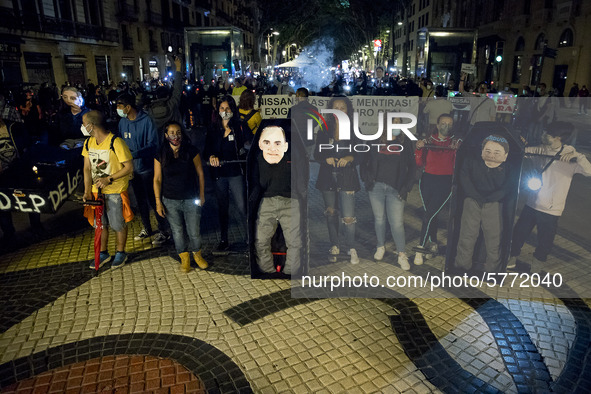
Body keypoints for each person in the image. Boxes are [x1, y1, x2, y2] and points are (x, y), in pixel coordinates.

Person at [508, 122, 591, 268]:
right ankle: (512, 256)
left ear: (558, 138)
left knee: (545, 239)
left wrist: (578, 157)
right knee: (519, 232)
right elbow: (522, 152)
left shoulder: (571, 157)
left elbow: (589, 171)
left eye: (547, 134)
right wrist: (518, 143)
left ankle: (537, 262)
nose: (543, 136)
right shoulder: (541, 149)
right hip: (532, 202)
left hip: (552, 208)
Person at [360, 118, 416, 270]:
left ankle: (401, 253)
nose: (395, 125)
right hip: (376, 187)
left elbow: (412, 167)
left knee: (396, 223)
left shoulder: (405, 143)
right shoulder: (374, 141)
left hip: (396, 189)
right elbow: (364, 162)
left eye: (398, 122)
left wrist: (406, 187)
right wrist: (366, 179)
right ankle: (380, 246)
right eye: (392, 121)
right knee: (379, 219)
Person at [81, 110, 134, 269]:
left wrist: (109, 178)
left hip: (115, 191)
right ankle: (103, 252)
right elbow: (86, 168)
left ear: (91, 125)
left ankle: (120, 252)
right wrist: (87, 190)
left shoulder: (115, 142)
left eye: (84, 123)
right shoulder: (88, 143)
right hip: (96, 193)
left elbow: (129, 167)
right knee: (100, 224)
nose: (82, 126)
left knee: (117, 223)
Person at [116, 93, 170, 245]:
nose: (117, 109)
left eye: (120, 106)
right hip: (131, 171)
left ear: (128, 107)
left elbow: (153, 145)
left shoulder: (147, 121)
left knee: (154, 201)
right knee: (140, 202)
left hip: (147, 169)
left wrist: (134, 154)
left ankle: (163, 230)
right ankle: (146, 228)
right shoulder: (122, 122)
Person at [153, 121, 208, 272]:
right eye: (171, 133)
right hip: (170, 200)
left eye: (178, 132)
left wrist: (202, 194)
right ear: (166, 135)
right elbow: (157, 179)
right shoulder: (161, 153)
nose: (175, 136)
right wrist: (158, 202)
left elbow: (200, 173)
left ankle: (197, 255)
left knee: (194, 231)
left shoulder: (191, 150)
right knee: (177, 232)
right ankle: (184, 258)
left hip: (191, 198)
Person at [455, 135, 511, 273]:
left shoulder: (508, 167)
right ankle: (462, 265)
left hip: (494, 204)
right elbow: (464, 176)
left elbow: (509, 185)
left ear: (505, 156)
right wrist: (474, 195)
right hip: (472, 200)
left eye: (497, 153)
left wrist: (493, 197)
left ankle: (493, 269)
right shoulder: (471, 160)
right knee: (467, 235)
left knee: (494, 239)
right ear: (482, 151)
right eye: (488, 151)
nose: (491, 156)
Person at [314, 96, 360, 264]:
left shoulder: (355, 129)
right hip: (327, 177)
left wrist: (350, 157)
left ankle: (351, 247)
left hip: (347, 176)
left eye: (343, 108)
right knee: (331, 213)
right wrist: (325, 157)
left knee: (348, 217)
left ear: (348, 110)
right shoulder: (324, 129)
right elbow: (316, 154)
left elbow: (362, 153)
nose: (339, 111)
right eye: (336, 108)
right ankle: (334, 245)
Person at [253, 126, 301, 275]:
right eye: (267, 142)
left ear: (285, 146)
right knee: (261, 241)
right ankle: (268, 271)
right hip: (267, 201)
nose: (272, 147)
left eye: (278, 143)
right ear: (260, 144)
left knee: (295, 242)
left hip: (290, 201)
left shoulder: (294, 157)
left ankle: (289, 272)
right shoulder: (257, 159)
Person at [414, 113, 461, 265]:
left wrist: (457, 151)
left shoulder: (455, 142)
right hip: (427, 180)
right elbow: (419, 161)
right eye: (443, 123)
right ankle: (433, 242)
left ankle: (420, 248)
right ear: (437, 124)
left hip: (445, 182)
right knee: (431, 214)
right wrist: (419, 148)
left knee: (428, 214)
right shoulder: (428, 140)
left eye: (449, 123)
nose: (445, 126)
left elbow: (457, 165)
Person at [205, 95, 247, 251]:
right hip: (219, 175)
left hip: (236, 173)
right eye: (222, 108)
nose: (225, 111)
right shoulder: (213, 129)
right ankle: (224, 240)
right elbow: (206, 150)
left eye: (228, 108)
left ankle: (250, 238)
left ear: (233, 109)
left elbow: (250, 145)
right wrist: (211, 156)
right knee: (223, 208)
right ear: (218, 110)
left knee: (242, 206)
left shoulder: (240, 126)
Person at [146, 57, 184, 132]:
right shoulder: (171, 105)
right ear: (167, 95)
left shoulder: (149, 111)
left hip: (158, 140)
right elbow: (177, 90)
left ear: (156, 96)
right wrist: (178, 69)